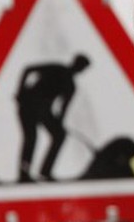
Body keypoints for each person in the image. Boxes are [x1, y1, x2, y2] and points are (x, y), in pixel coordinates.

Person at [16, 54, 92, 182]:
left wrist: (59, 124)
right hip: (28, 106)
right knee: (31, 138)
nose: (79, 69)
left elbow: (63, 109)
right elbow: (28, 69)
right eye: (80, 66)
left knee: (59, 135)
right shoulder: (56, 69)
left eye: (82, 68)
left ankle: (45, 171)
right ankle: (24, 174)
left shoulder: (71, 87)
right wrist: (20, 91)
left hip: (43, 111)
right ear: (75, 63)